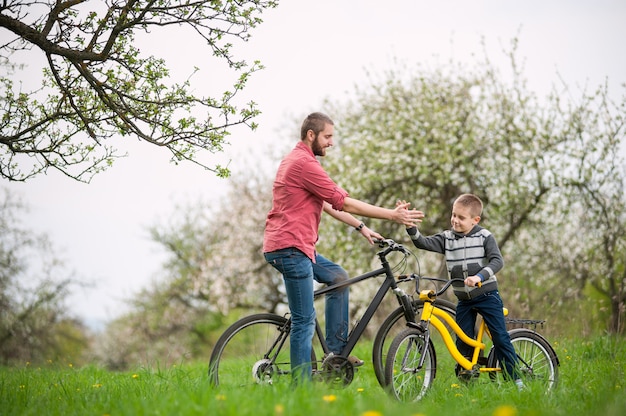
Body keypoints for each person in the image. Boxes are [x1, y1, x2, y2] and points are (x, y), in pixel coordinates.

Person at [263, 112, 424, 383]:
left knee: (338, 277)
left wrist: (361, 227)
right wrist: (392, 215)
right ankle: (301, 391)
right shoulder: (304, 164)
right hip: (292, 248)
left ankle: (335, 353)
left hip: (293, 246)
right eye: (328, 136)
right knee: (304, 321)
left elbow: (326, 203)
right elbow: (343, 201)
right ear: (311, 135)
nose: (331, 143)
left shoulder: (296, 160)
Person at [402, 193, 524, 390]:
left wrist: (479, 277)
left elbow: (497, 261)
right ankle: (469, 385)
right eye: (453, 215)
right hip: (464, 300)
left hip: (487, 296)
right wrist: (410, 226)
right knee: (462, 342)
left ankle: (517, 381)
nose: (454, 220)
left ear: (475, 220)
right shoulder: (447, 238)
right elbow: (422, 242)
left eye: (461, 217)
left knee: (500, 337)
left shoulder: (485, 237)